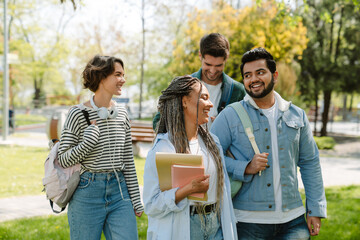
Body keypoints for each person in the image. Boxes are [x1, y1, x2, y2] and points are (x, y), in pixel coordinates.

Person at [211, 48, 327, 239]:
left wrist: (315, 208)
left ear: (275, 76)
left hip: (294, 220)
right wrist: (244, 167)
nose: (253, 79)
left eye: (260, 72)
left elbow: (310, 162)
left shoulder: (297, 115)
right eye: (247, 75)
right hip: (248, 222)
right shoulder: (230, 115)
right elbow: (209, 157)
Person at [58, 55, 143, 240]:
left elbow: (128, 159)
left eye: (123, 74)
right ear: (102, 77)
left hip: (119, 191)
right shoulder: (78, 113)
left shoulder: (121, 113)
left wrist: (136, 199)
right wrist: (87, 142)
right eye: (117, 74)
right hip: (87, 191)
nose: (123, 80)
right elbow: (63, 158)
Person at [143, 75, 238, 240]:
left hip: (216, 225)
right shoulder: (164, 149)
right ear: (184, 101)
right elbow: (152, 204)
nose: (210, 104)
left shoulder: (212, 142)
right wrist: (186, 190)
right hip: (187, 227)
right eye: (204, 98)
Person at [153, 33, 246, 129]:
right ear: (200, 55)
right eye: (208, 64)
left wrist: (229, 126)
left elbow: (246, 129)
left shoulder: (238, 91)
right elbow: (158, 123)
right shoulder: (183, 86)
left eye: (218, 66)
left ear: (226, 58)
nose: (212, 71)